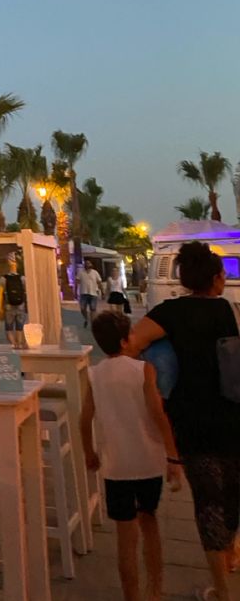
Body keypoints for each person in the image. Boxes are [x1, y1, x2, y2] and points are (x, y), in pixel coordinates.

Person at [129, 240, 240, 601]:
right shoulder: (225, 310)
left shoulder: (170, 313)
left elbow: (131, 343)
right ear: (216, 278)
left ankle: (221, 590)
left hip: (192, 420)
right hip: (232, 416)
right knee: (231, 492)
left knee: (208, 501)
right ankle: (230, 555)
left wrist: (161, 359)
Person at [81, 311, 181, 601]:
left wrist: (89, 453)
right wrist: (173, 456)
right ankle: (155, 590)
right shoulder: (144, 370)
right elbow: (158, 414)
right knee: (149, 523)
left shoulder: (95, 374)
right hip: (147, 461)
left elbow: (84, 420)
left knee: (125, 538)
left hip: (116, 466)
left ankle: (131, 596)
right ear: (125, 341)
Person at [0, 253, 26, 348]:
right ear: (17, 265)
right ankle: (19, 344)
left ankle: (14, 344)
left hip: (9, 305)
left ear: (8, 264)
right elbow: (25, 291)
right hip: (20, 305)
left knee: (9, 328)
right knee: (19, 326)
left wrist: (0, 308)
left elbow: (0, 294)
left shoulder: (4, 278)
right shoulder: (22, 278)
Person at [78, 260, 102, 327]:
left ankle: (93, 324)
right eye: (86, 263)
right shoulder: (81, 273)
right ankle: (86, 319)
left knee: (93, 309)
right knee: (82, 309)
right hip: (83, 293)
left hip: (93, 293)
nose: (87, 264)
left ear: (91, 264)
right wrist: (74, 292)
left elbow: (99, 282)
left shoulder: (95, 273)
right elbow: (77, 282)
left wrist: (102, 291)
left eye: (89, 263)